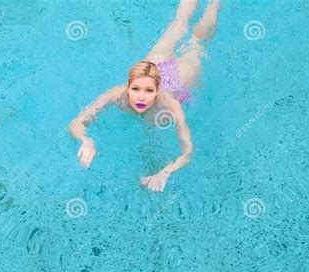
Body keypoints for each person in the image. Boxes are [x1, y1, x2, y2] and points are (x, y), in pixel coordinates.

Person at [69, 0, 220, 192]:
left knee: (196, 43)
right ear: (128, 86)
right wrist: (86, 140)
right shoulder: (117, 94)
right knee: (179, 23)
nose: (141, 97)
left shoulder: (170, 103)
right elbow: (77, 122)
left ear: (158, 90)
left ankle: (214, 3)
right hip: (153, 63)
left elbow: (188, 149)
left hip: (180, 75)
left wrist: (166, 171)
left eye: (149, 91)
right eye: (135, 89)